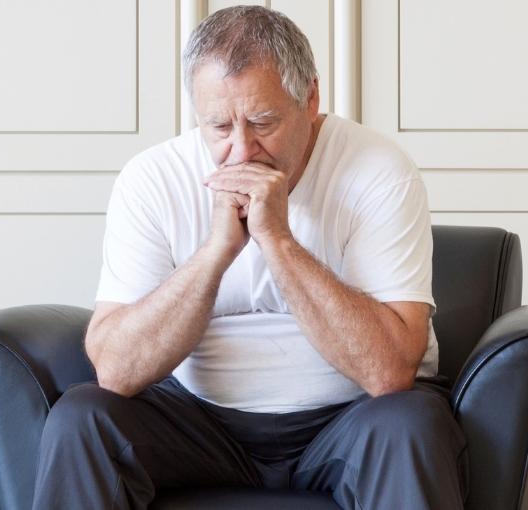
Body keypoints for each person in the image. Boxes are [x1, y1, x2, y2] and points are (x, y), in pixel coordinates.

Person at [33, 6, 468, 509]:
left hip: (350, 418)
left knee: (411, 423)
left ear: (310, 98)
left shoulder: (378, 170)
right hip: (197, 421)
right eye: (218, 126)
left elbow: (389, 370)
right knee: (82, 417)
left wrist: (278, 241)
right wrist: (217, 252)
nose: (241, 151)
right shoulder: (152, 178)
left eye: (263, 121)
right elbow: (116, 369)